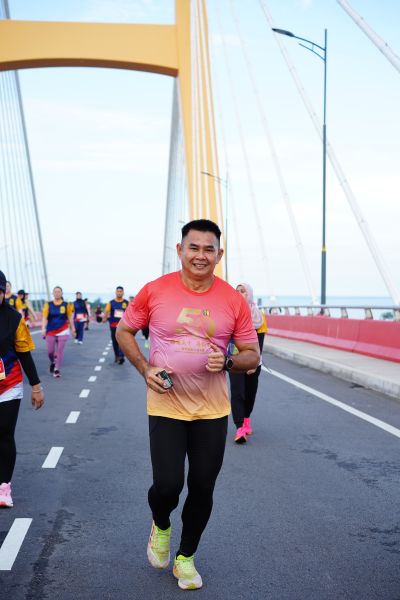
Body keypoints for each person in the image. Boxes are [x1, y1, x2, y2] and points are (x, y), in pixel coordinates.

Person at [116, 219, 259, 590]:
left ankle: (186, 558)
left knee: (202, 487)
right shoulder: (155, 291)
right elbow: (124, 330)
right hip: (166, 403)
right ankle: (161, 524)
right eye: (193, 247)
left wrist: (229, 361)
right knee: (167, 485)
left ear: (219, 255)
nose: (200, 255)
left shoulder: (233, 300)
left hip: (212, 409)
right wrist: (145, 368)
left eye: (209, 249)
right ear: (180, 250)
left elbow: (252, 354)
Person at [0, 270, 44, 508]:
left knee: (4, 433)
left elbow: (24, 354)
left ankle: (3, 486)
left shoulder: (14, 318)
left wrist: (36, 386)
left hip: (9, 384)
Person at [228, 283, 267, 444]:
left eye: (242, 291)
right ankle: (239, 428)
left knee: (250, 393)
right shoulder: (230, 314)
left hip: (252, 360)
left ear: (249, 294)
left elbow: (260, 342)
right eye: (236, 291)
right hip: (235, 359)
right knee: (237, 392)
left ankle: (246, 419)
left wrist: (253, 363)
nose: (239, 293)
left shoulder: (259, 317)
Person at [41, 286, 75, 378]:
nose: (57, 293)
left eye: (59, 291)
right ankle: (53, 362)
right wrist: (43, 328)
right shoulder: (48, 304)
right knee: (50, 352)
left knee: (60, 350)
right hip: (50, 330)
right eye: (55, 292)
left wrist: (73, 329)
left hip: (63, 330)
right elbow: (44, 317)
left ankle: (57, 369)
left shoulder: (66, 305)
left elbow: (70, 318)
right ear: (53, 293)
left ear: (62, 293)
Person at [104, 287, 128, 364]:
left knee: (123, 341)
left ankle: (121, 356)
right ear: (116, 292)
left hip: (123, 326)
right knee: (115, 341)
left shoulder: (126, 303)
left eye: (121, 291)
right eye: (118, 291)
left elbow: (130, 313)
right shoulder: (111, 302)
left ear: (123, 293)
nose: (119, 293)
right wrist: (105, 318)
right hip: (113, 325)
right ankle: (117, 355)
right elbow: (106, 311)